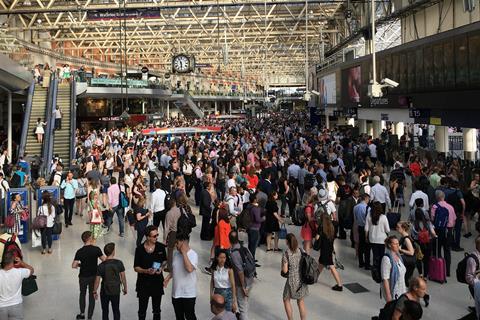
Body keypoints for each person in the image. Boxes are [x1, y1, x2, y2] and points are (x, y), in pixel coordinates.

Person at [134, 225, 167, 320]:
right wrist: (146, 271)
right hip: (143, 284)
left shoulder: (161, 247)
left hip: (157, 282)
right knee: (142, 310)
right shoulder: (139, 249)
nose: (157, 237)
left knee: (157, 310)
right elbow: (136, 267)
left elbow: (164, 260)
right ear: (147, 237)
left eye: (157, 235)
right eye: (154, 236)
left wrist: (161, 267)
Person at [164, 232, 198, 320]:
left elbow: (189, 269)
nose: (175, 245)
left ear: (183, 242)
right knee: (179, 317)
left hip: (188, 294)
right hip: (176, 293)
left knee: (190, 316)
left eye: (177, 243)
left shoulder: (193, 254)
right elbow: (175, 269)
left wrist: (183, 252)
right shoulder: (176, 254)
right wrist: (168, 277)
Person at [72, 231, 106, 320]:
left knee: (82, 294)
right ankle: (90, 317)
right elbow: (105, 260)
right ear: (89, 238)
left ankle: (82, 313)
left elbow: (74, 265)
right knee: (92, 295)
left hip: (83, 276)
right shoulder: (96, 249)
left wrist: (81, 265)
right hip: (94, 277)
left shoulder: (80, 251)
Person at [93, 243, 127, 320]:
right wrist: (125, 288)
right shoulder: (119, 263)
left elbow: (97, 280)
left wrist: (94, 291)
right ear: (113, 252)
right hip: (115, 290)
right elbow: (123, 277)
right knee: (116, 310)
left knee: (105, 311)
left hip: (104, 291)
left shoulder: (101, 265)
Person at [0, 253, 34, 320]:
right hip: (16, 305)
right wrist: (21, 262)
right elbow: (31, 270)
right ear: (13, 261)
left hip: (1, 307)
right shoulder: (20, 272)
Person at [430, 190, 456, 277]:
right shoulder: (451, 207)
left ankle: (439, 270)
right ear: (444, 197)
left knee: (437, 250)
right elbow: (454, 220)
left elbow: (432, 219)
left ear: (437, 197)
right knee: (447, 250)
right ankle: (447, 271)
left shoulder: (435, 207)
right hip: (448, 231)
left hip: (438, 231)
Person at [282, 233, 307, 320]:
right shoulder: (301, 250)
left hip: (291, 281)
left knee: (286, 299)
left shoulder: (286, 254)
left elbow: (285, 271)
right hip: (302, 280)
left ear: (287, 242)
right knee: (300, 301)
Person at [315, 213, 343, 291]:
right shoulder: (332, 226)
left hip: (324, 249)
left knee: (331, 266)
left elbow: (317, 238)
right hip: (330, 248)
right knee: (321, 264)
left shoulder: (321, 227)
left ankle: (339, 285)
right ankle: (315, 278)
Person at [229, 230, 253, 320]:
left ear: (229, 240)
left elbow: (240, 271)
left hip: (242, 283)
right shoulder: (245, 248)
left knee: (242, 308)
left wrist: (243, 286)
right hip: (250, 279)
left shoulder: (234, 253)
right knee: (245, 303)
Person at [365, 202, 390, 278]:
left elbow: (366, 228)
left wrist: (366, 237)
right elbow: (388, 230)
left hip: (372, 239)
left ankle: (376, 272)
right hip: (382, 240)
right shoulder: (383, 217)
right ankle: (381, 271)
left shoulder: (369, 216)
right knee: (382, 256)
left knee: (375, 256)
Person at [381, 236, 407, 302]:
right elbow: (385, 279)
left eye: (398, 243)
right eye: (395, 244)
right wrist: (388, 295)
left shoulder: (398, 256)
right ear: (390, 245)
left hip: (402, 289)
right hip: (393, 290)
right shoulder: (386, 259)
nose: (398, 246)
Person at [354, 194, 371, 269]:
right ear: (366, 198)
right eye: (368, 199)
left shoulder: (355, 207)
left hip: (359, 227)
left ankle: (361, 263)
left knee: (360, 245)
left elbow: (355, 218)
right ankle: (367, 264)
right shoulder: (368, 208)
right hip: (366, 228)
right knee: (367, 247)